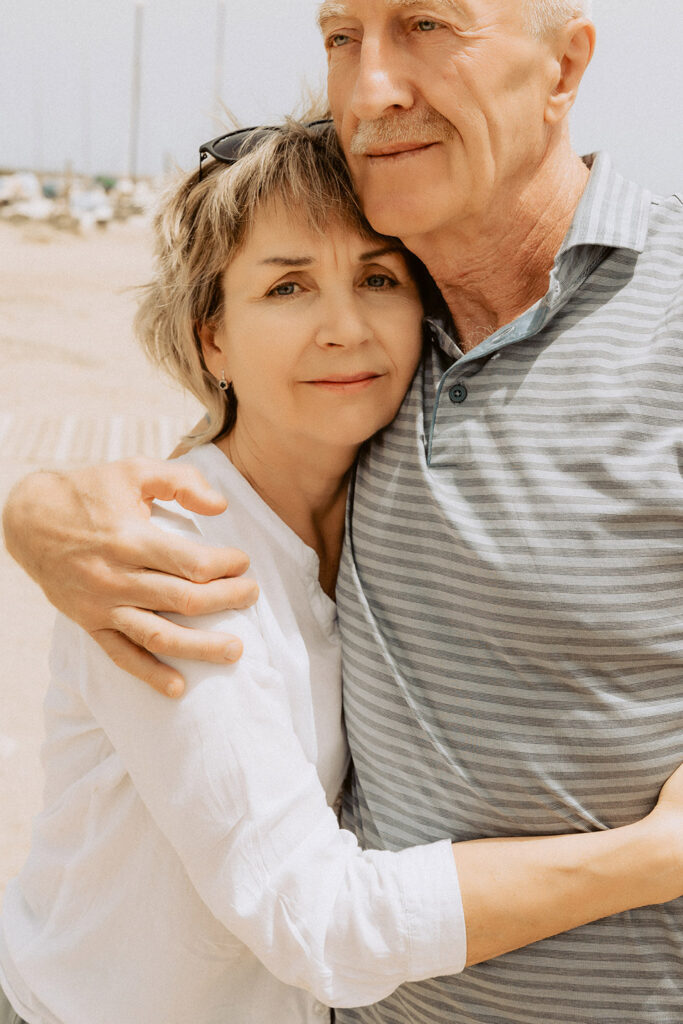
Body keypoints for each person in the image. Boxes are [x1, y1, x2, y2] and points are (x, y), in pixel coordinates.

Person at [3, 1, 682, 1021]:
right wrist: (34, 510)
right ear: (213, 339)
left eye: (424, 24)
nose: (369, 89)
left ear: (563, 65)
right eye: (338, 38)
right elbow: (315, 918)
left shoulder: (445, 362)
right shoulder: (182, 550)